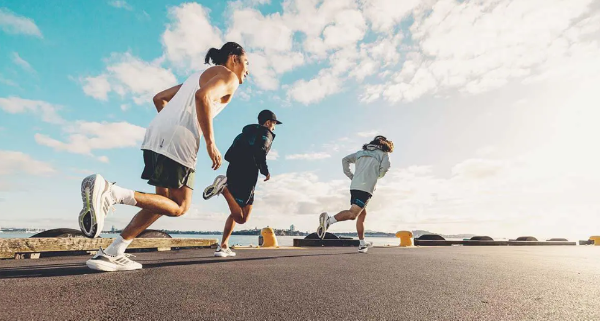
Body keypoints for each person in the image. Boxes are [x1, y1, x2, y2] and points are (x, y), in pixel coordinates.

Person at [78, 42, 249, 272]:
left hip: (156, 133)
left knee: (162, 203)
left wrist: (170, 128)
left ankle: (113, 251)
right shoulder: (230, 77)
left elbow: (159, 98)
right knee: (180, 206)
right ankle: (111, 192)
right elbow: (203, 97)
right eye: (246, 63)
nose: (247, 71)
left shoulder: (196, 76)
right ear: (234, 58)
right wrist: (210, 142)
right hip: (180, 140)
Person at [203, 110, 281, 257]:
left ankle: (223, 245)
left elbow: (228, 155)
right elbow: (261, 151)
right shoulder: (266, 133)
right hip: (247, 175)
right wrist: (265, 171)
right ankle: (224, 189)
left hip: (234, 172)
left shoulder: (244, 134)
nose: (274, 127)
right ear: (268, 122)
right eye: (274, 124)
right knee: (241, 218)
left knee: (236, 214)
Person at [316, 135, 393, 253]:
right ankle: (328, 221)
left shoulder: (360, 153)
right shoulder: (383, 154)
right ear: (385, 144)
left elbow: (345, 160)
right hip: (366, 188)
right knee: (353, 215)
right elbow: (385, 168)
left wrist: (351, 176)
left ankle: (362, 244)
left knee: (362, 215)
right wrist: (376, 176)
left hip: (355, 186)